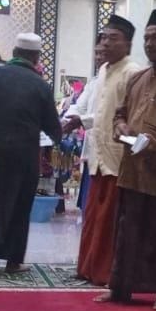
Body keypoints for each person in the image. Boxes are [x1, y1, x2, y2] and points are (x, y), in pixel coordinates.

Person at [101, 10, 156, 311]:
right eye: (147, 38)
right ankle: (120, 287)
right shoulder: (137, 79)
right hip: (132, 170)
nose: (149, 44)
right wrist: (120, 127)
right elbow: (120, 114)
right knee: (127, 231)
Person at [0, 33, 63, 273]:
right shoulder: (41, 85)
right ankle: (13, 261)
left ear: (14, 53)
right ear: (36, 57)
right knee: (20, 204)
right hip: (25, 154)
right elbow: (54, 128)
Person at [75, 16, 142, 284]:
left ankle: (104, 273)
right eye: (103, 37)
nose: (105, 43)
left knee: (109, 219)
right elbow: (100, 112)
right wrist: (79, 121)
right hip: (97, 155)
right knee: (93, 216)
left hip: (118, 157)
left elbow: (131, 116)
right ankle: (87, 268)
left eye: (113, 38)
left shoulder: (132, 72)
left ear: (128, 44)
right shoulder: (103, 70)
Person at [63, 43, 108, 213]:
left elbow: (110, 115)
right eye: (96, 53)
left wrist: (81, 121)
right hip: (91, 150)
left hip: (108, 156)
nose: (98, 57)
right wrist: (67, 119)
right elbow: (79, 106)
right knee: (89, 207)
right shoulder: (94, 81)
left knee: (101, 210)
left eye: (102, 53)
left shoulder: (125, 76)